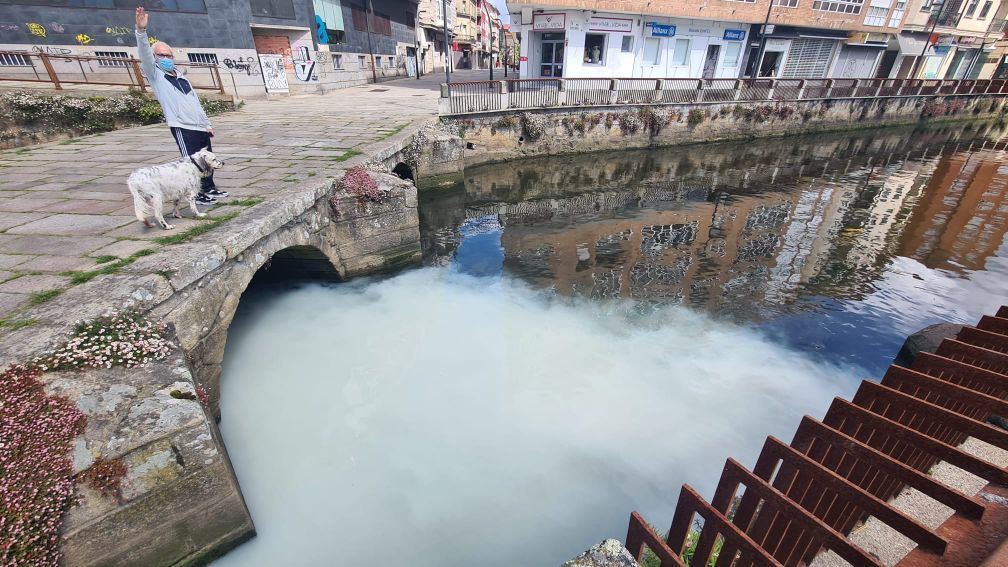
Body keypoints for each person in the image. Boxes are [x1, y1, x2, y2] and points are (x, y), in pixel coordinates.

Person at [134, 7, 227, 204]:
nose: (166, 58)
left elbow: (195, 103)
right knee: (191, 164)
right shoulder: (156, 75)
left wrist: (206, 123)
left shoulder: (181, 76)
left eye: (169, 55)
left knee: (207, 160)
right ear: (155, 57)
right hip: (183, 126)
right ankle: (196, 194)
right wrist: (141, 31)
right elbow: (144, 53)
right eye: (162, 55)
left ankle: (209, 188)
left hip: (199, 126)